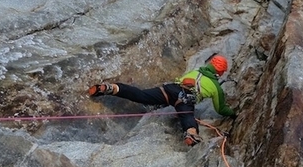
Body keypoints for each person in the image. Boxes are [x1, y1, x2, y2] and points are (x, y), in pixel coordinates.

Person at [88, 54, 237, 146]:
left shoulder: (196, 71)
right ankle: (191, 134)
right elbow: (220, 108)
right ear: (220, 72)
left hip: (170, 89)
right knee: (187, 116)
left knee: (142, 95)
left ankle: (111, 88)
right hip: (185, 98)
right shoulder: (216, 87)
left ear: (210, 64)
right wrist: (233, 114)